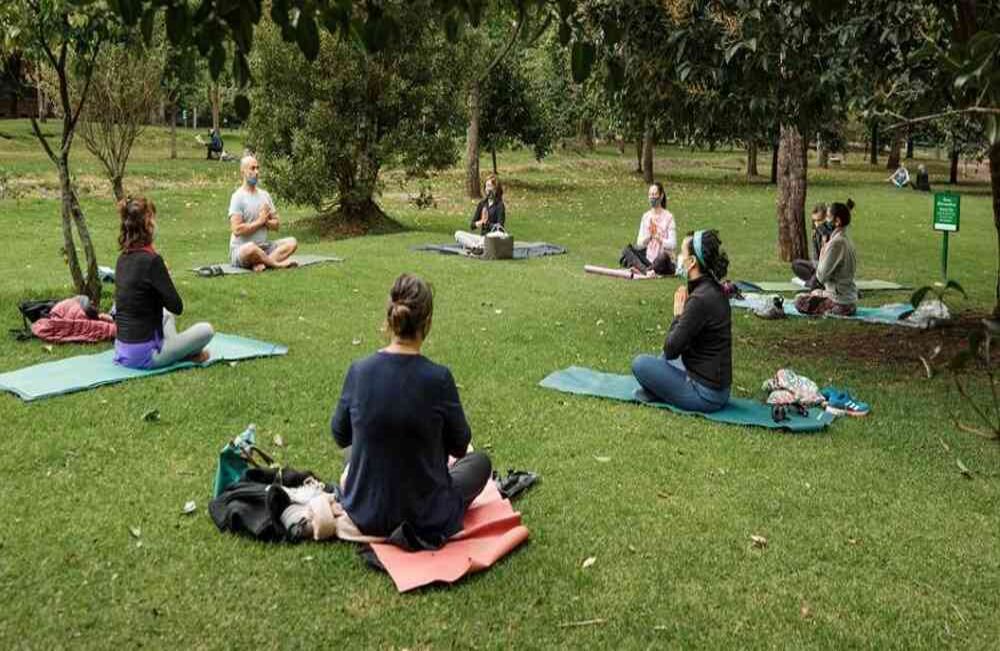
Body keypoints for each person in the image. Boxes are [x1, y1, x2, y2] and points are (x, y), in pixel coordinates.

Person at [330, 273, 492, 546]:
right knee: (480, 463)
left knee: (357, 450)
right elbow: (461, 447)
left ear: (390, 318)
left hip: (366, 514)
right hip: (426, 516)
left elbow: (340, 435)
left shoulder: (359, 371)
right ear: (427, 322)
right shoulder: (439, 378)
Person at [631, 230, 731, 413]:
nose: (679, 258)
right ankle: (658, 389)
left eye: (683, 254)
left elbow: (670, 350)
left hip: (705, 395)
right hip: (718, 389)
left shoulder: (700, 299)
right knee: (661, 361)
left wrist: (678, 316)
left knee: (640, 363)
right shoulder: (713, 289)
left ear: (692, 262)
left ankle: (657, 390)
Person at [113, 196, 214, 370]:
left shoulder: (122, 258)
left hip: (122, 349)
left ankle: (177, 350)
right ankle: (184, 356)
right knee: (207, 330)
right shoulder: (153, 261)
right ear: (147, 225)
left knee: (167, 316)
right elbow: (177, 306)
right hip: (145, 355)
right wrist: (165, 277)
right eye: (153, 218)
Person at [228, 155, 298, 271]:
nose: (256, 172)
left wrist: (266, 222)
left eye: (258, 168)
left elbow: (276, 225)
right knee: (251, 248)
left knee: (292, 242)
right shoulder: (238, 197)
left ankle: (262, 263)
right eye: (252, 168)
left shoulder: (265, 195)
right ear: (243, 172)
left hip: (264, 247)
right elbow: (236, 229)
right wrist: (259, 222)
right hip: (242, 250)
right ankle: (276, 264)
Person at [794, 199, 858, 316]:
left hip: (840, 302)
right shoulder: (846, 239)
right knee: (815, 292)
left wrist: (824, 249)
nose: (824, 222)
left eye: (828, 217)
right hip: (848, 297)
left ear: (837, 221)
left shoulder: (836, 243)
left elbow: (821, 276)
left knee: (799, 301)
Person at [620, 182, 676, 276]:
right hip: (649, 260)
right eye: (650, 195)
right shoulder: (646, 217)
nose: (652, 197)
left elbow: (673, 244)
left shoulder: (669, 217)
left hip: (664, 261)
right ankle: (647, 271)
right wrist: (648, 237)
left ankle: (641, 269)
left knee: (663, 256)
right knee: (626, 250)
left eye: (654, 194)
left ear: (661, 196)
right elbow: (639, 243)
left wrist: (660, 239)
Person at [455, 175, 506, 250]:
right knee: (458, 234)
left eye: (489, 186)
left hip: (492, 238)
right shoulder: (482, 204)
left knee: (497, 234)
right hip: (481, 238)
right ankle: (475, 247)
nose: (487, 189)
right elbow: (472, 225)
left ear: (495, 188)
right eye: (486, 186)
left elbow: (499, 228)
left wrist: (487, 223)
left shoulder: (500, 205)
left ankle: (477, 247)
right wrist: (480, 222)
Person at [790, 203, 833, 289]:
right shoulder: (816, 234)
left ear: (826, 218)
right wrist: (815, 266)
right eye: (814, 221)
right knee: (795, 264)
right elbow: (815, 257)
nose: (817, 224)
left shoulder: (834, 234)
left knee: (814, 283)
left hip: (830, 270)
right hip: (818, 267)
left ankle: (811, 283)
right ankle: (816, 281)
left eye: (819, 220)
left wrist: (826, 238)